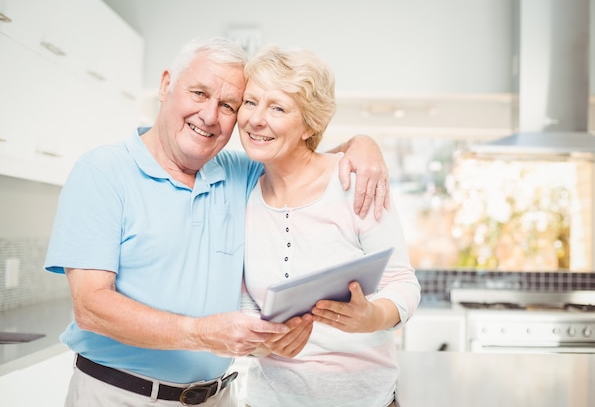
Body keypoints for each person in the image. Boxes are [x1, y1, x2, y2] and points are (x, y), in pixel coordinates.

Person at [43, 37, 390, 407]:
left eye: (228, 105)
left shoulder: (239, 174)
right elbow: (92, 307)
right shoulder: (103, 172)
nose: (209, 116)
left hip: (217, 397)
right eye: (198, 93)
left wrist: (363, 143)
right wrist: (200, 334)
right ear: (165, 85)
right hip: (118, 395)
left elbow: (302, 157)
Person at [238, 46, 421, 407]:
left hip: (365, 399)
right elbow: (246, 305)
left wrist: (370, 317)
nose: (257, 119)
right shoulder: (241, 192)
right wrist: (262, 343)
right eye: (250, 102)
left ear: (310, 123)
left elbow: (402, 283)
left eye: (277, 107)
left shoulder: (353, 180)